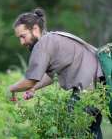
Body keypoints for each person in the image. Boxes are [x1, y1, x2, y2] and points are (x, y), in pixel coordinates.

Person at [9, 8, 104, 139]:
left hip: (88, 89)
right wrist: (33, 88)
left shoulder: (43, 44)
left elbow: (30, 79)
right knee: (90, 131)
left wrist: (11, 89)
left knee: (73, 129)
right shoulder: (52, 39)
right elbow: (49, 77)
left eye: (23, 36)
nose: (21, 42)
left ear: (35, 29)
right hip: (97, 88)